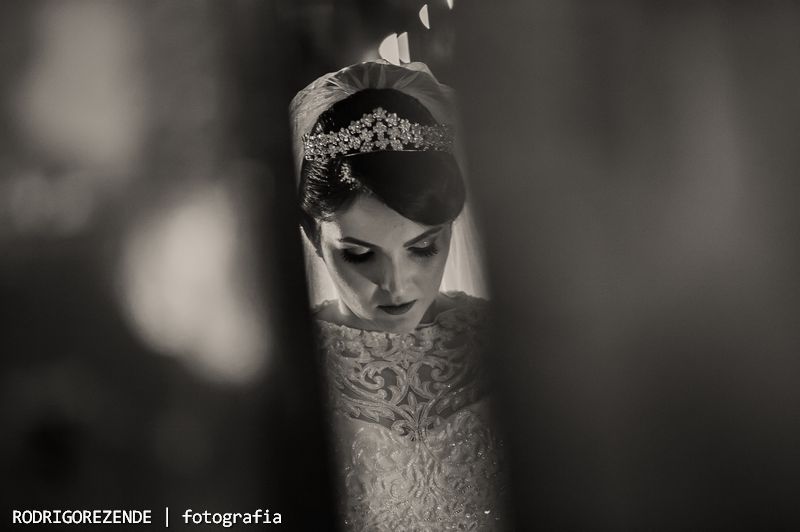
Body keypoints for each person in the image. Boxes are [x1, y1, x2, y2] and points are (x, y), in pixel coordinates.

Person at [290, 61, 506, 531]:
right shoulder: (291, 368)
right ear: (314, 241)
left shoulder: (504, 340)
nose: (396, 284)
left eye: (423, 248)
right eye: (360, 255)